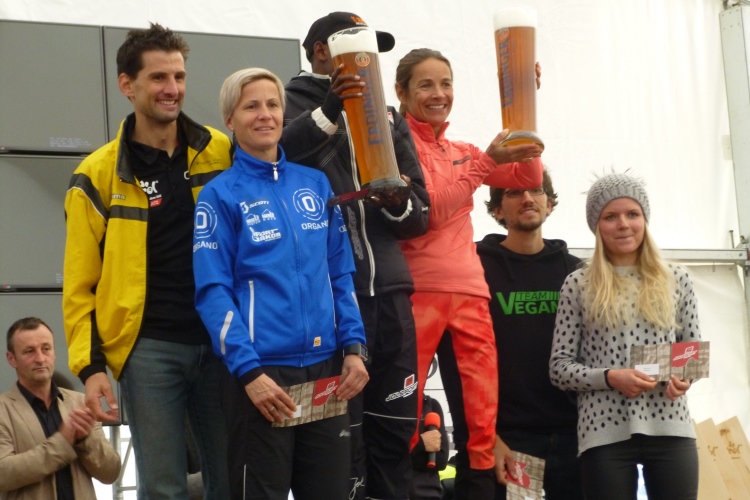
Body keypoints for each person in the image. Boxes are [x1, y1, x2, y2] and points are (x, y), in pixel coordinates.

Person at [62, 23, 231, 499]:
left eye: (178, 76)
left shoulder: (221, 152)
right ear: (126, 84)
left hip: (224, 342)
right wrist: (92, 368)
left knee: (233, 480)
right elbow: (79, 285)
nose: (172, 88)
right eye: (158, 77)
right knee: (161, 488)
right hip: (149, 350)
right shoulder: (95, 175)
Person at [193, 67, 369, 500]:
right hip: (263, 377)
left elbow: (340, 275)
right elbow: (213, 292)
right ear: (230, 120)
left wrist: (353, 348)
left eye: (272, 104)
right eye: (251, 106)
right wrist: (248, 372)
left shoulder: (315, 184)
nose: (265, 114)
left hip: (326, 369)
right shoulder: (219, 195)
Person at [281, 12, 431, 500]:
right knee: (341, 445)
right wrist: (330, 111)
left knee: (395, 435)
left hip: (391, 294)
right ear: (322, 52)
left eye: (372, 53)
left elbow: (419, 216)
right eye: (354, 48)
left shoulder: (387, 115)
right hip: (329, 300)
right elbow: (274, 161)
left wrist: (398, 201)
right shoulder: (283, 104)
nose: (367, 62)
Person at [393, 48, 543, 499]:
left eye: (446, 83)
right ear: (401, 92)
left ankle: (478, 487)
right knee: (405, 408)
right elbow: (430, 213)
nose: (439, 94)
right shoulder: (396, 148)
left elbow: (527, 176)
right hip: (418, 290)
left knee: (481, 417)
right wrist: (483, 166)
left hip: (470, 291)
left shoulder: (463, 151)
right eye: (425, 85)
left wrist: (526, 112)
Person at [549, 173, 700, 500]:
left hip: (671, 425)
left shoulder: (677, 278)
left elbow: (693, 352)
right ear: (596, 226)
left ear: (645, 220)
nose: (623, 225)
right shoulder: (578, 284)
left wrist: (684, 378)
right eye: (610, 216)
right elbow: (559, 368)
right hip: (603, 433)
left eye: (633, 214)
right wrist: (610, 377)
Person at [475, 170, 583, 500]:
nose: (526, 198)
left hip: (576, 436)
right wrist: (490, 437)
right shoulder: (477, 269)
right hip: (512, 440)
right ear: (497, 209)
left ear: (549, 203)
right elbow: (463, 362)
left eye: (535, 190)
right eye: (513, 192)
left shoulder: (577, 272)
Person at [0, 317, 121, 499]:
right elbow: (3, 474)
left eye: (46, 349)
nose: (40, 358)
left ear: (54, 353)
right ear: (11, 359)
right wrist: (62, 442)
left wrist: (86, 439)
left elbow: (110, 473)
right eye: (29, 351)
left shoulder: (81, 402)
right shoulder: (3, 410)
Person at [410, 393, 449, 500]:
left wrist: (404, 456)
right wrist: (421, 444)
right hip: (391, 491)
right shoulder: (382, 406)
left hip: (429, 493)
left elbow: (440, 461)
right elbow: (381, 456)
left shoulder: (431, 404)